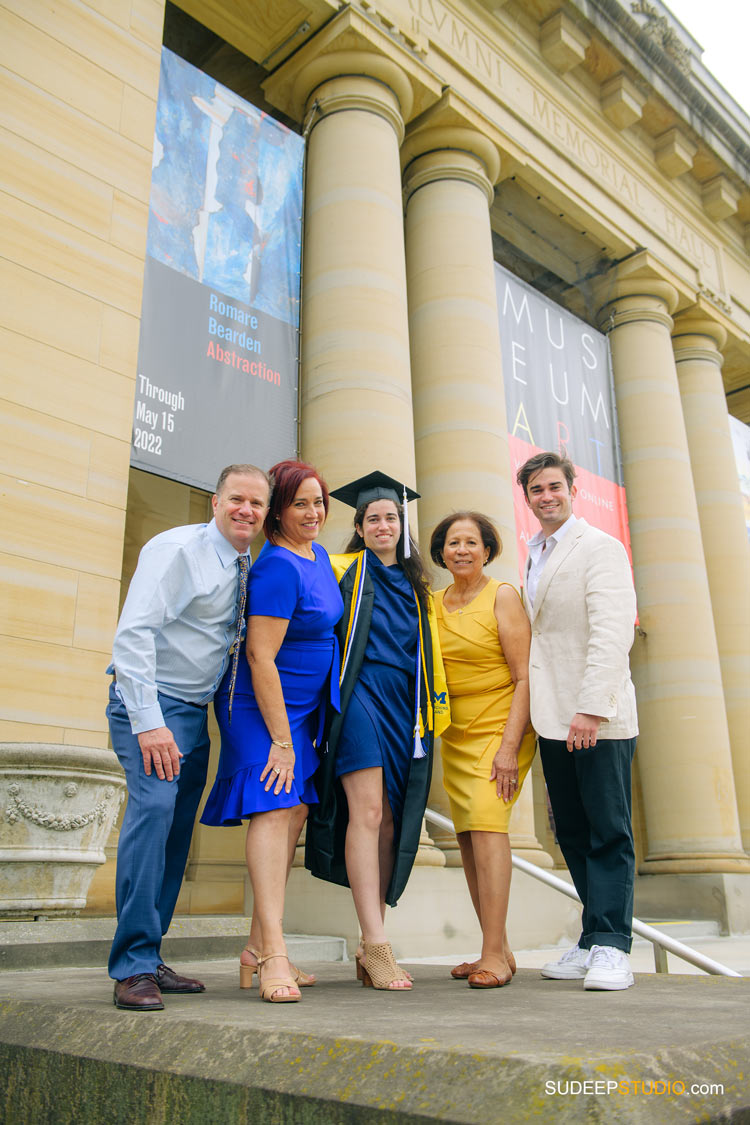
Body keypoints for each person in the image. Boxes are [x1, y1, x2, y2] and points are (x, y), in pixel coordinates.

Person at [107, 464, 270, 1011]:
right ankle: (130, 967)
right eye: (237, 500)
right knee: (152, 815)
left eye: (257, 503)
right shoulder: (176, 550)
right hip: (153, 703)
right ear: (216, 503)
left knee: (177, 833)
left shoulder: (246, 561)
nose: (246, 510)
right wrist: (149, 722)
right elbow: (134, 635)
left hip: (194, 711)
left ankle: (149, 957)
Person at [201, 460, 343, 1003]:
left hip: (302, 708)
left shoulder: (320, 555)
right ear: (277, 510)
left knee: (296, 811)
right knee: (274, 802)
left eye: (319, 502)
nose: (313, 513)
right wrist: (282, 742)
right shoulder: (278, 567)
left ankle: (255, 946)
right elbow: (260, 657)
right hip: (258, 703)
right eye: (300, 503)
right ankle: (276, 954)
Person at [306, 471, 450, 991]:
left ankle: (374, 940)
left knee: (390, 822)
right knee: (366, 812)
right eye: (373, 519)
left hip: (404, 708)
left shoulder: (418, 588)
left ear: (401, 525)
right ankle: (376, 943)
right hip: (357, 697)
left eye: (391, 517)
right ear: (360, 528)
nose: (383, 524)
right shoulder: (341, 569)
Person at [517, 451, 638, 991]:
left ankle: (614, 945)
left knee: (607, 831)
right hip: (553, 718)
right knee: (571, 829)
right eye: (536, 490)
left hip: (597, 717)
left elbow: (613, 632)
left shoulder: (600, 548)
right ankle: (592, 939)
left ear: (572, 488)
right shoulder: (535, 553)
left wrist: (590, 707)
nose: (546, 497)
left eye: (553, 487)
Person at [430, 512, 536, 989]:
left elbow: (524, 676)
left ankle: (492, 953)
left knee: (489, 827)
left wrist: (509, 748)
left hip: (502, 726)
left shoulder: (504, 596)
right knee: (470, 836)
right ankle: (498, 948)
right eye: (453, 542)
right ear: (441, 552)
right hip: (456, 733)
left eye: (472, 542)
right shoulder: (432, 602)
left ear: (488, 550)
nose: (462, 550)